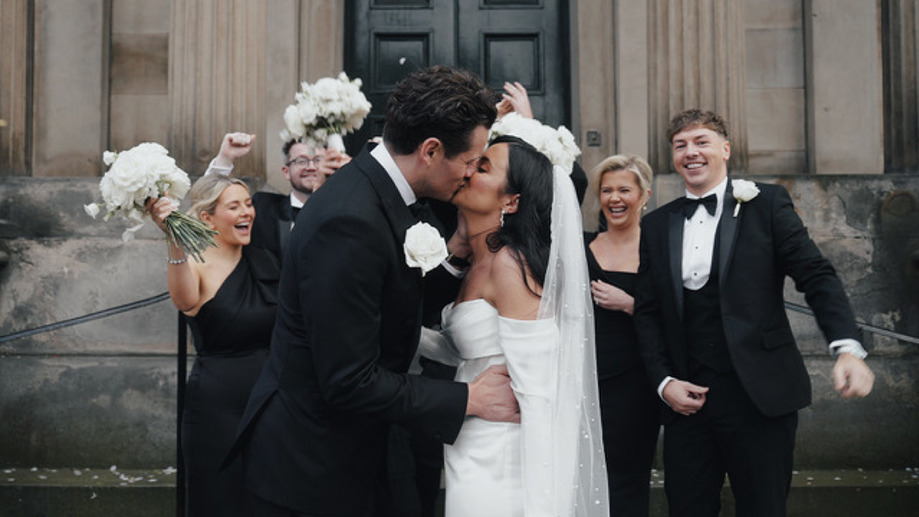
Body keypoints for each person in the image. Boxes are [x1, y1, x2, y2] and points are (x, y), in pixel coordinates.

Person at [228, 65, 520, 516]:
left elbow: (392, 301)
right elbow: (348, 381)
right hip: (312, 469)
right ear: (431, 150)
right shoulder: (350, 221)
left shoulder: (381, 193)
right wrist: (469, 399)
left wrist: (458, 250)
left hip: (363, 451)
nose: (468, 176)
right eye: (468, 162)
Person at [633, 109, 875, 517]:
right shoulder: (656, 225)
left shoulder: (766, 204)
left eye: (701, 142)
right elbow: (647, 314)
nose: (690, 152)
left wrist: (847, 347)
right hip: (686, 405)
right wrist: (663, 382)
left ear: (725, 150)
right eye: (680, 145)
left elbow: (815, 274)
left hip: (760, 399)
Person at [418, 135, 609, 516]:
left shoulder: (509, 265)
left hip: (506, 454)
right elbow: (467, 349)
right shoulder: (477, 260)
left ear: (512, 201)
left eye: (484, 167)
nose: (468, 169)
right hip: (470, 439)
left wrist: (544, 505)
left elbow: (540, 397)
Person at [146, 175, 279, 517]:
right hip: (219, 411)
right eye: (234, 206)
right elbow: (184, 299)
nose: (246, 211)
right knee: (221, 502)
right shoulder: (194, 263)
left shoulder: (268, 258)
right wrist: (174, 241)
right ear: (207, 218)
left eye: (248, 204)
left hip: (274, 406)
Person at [583, 154, 661, 516]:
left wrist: (632, 304)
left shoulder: (660, 250)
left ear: (644, 195)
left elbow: (677, 320)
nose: (614, 198)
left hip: (635, 386)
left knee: (628, 480)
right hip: (584, 383)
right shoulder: (581, 248)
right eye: (607, 190)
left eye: (624, 190)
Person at [205, 132, 350, 261]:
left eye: (318, 160)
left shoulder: (347, 211)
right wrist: (225, 159)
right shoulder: (261, 207)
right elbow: (209, 205)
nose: (311, 167)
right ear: (286, 171)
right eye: (301, 161)